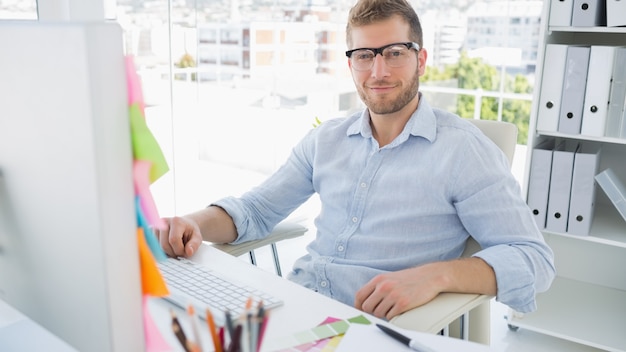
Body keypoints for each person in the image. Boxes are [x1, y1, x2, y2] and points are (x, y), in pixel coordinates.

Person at [158, 0, 555, 320]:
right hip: (293, 307)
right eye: (365, 55)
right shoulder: (327, 138)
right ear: (350, 63)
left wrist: (437, 276)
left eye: (395, 53)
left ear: (422, 59)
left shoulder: (464, 151)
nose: (378, 71)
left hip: (373, 325)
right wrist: (192, 222)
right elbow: (256, 210)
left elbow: (533, 260)